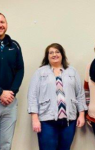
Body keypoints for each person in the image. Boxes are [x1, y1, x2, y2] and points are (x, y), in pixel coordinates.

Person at [28, 43, 87, 150]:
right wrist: (35, 118)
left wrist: (81, 115)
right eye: (51, 53)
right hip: (47, 121)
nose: (54, 55)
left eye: (57, 52)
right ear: (47, 56)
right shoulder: (40, 72)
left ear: (62, 54)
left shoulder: (72, 71)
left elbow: (80, 94)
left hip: (69, 121)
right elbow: (32, 96)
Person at [0, 13, 24, 150]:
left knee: (6, 143)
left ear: (6, 25)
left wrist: (11, 93)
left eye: (2, 22)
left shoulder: (14, 46)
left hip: (9, 102)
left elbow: (20, 70)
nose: (0, 25)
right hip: (2, 95)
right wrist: (0, 93)